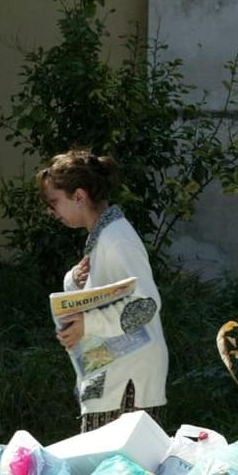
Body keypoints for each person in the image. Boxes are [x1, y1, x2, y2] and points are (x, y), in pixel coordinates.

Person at [38, 149, 168, 432]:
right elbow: (108, 294)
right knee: (106, 471)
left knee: (118, 473)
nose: (51, 211)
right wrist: (74, 282)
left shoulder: (116, 238)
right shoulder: (103, 237)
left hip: (128, 381)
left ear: (79, 196)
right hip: (113, 375)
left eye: (54, 202)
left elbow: (145, 304)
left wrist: (88, 323)